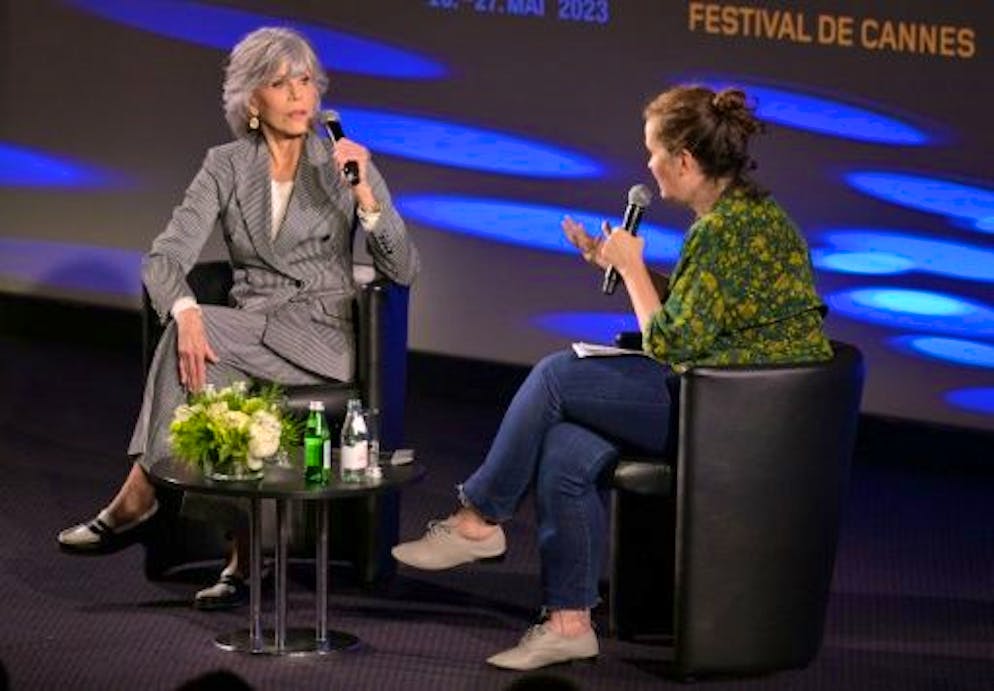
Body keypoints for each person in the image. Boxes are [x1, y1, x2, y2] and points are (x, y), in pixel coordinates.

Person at [391, 84, 831, 671]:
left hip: (730, 416)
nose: (646, 165)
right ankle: (570, 622)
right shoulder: (742, 216)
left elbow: (672, 342)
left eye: (653, 152)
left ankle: (478, 520)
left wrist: (631, 269)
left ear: (685, 161)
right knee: (567, 448)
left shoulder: (724, 230)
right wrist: (620, 265)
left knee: (554, 377)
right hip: (722, 395)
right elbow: (706, 311)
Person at [57, 26, 420, 609]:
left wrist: (371, 206)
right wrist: (186, 306)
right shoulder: (225, 166)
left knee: (198, 335)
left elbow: (402, 269)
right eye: (280, 83)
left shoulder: (343, 159)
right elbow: (164, 257)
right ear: (253, 101)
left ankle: (139, 493)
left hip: (324, 336)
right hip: (252, 334)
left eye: (305, 80)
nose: (299, 95)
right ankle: (245, 561)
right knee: (216, 389)